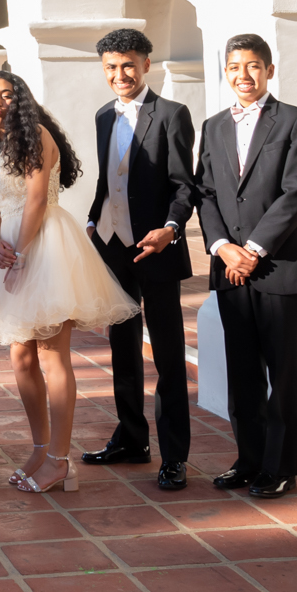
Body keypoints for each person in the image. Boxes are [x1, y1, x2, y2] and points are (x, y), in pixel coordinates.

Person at [0, 70, 138, 495]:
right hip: (8, 251)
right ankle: (41, 448)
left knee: (51, 354)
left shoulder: (36, 135)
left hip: (42, 248)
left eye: (6, 95)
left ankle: (60, 460)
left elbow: (37, 199)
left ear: (21, 99)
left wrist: (21, 254)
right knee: (20, 358)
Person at [196, 34, 297, 500]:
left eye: (252, 66)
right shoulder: (213, 126)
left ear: (269, 69)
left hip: (278, 265)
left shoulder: (294, 121)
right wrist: (223, 246)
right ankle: (248, 461)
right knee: (242, 372)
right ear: (225, 72)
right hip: (229, 268)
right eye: (233, 67)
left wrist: (255, 248)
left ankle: (280, 467)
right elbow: (205, 192)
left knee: (282, 372)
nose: (242, 76)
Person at [80, 30, 199, 491]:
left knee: (168, 352)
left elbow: (184, 184)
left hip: (157, 244)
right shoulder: (103, 116)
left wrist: (170, 229)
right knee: (122, 348)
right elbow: (109, 180)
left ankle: (174, 455)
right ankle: (131, 438)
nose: (120, 75)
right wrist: (93, 220)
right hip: (112, 245)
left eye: (128, 64)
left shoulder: (171, 114)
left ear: (147, 64)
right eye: (111, 66)